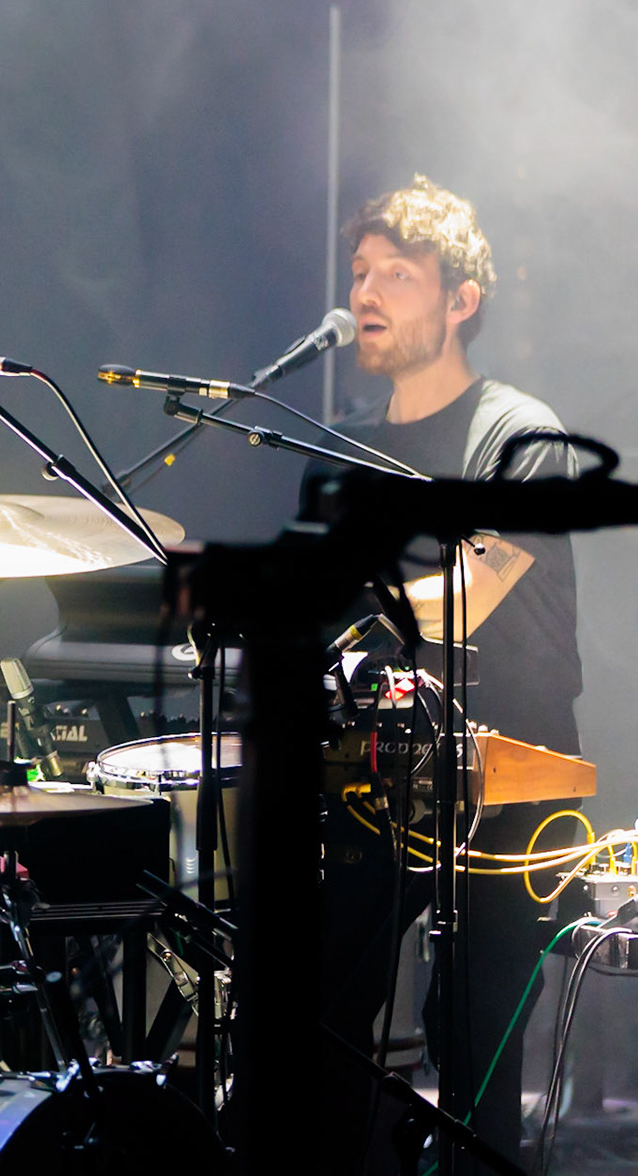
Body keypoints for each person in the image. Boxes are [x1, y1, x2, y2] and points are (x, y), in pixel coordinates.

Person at [313, 175, 583, 1172]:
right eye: (359, 272)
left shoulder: (520, 436)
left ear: (460, 298)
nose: (367, 292)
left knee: (472, 1051)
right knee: (319, 1013)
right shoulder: (347, 448)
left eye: (397, 272)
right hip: (385, 768)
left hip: (511, 778)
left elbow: (468, 593)